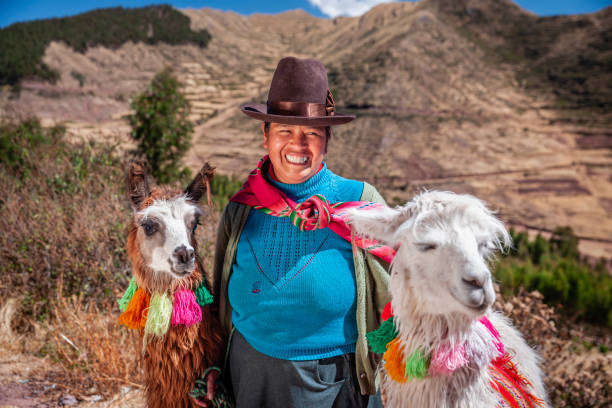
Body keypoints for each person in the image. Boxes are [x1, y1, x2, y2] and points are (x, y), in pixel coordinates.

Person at [211, 57, 390, 408]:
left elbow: (400, 291)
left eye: (311, 133)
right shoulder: (241, 209)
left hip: (333, 384)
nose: (297, 145)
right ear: (265, 136)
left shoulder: (361, 204)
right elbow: (220, 302)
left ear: (326, 139)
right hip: (248, 375)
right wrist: (211, 366)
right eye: (284, 131)